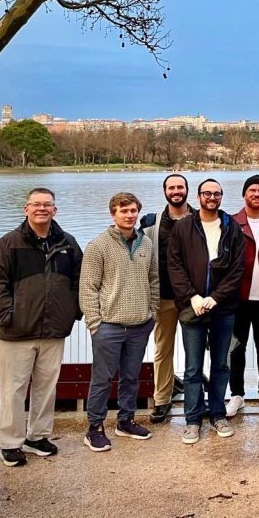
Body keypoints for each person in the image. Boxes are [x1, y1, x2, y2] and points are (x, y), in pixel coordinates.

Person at [0, 188, 83, 467]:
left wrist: (72, 312)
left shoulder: (68, 243)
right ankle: (10, 443)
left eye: (47, 205)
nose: (42, 209)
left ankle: (37, 436)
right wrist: (7, 316)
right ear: (26, 209)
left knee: (46, 387)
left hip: (54, 331)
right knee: (13, 389)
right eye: (36, 205)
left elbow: (80, 282)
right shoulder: (9, 244)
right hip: (16, 332)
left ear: (55, 210)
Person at [167, 178, 245, 445]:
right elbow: (174, 267)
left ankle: (217, 414)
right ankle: (192, 420)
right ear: (198, 196)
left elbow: (237, 270)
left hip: (223, 309)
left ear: (221, 197)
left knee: (221, 365)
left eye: (216, 193)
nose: (211, 197)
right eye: (206, 193)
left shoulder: (232, 227)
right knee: (192, 367)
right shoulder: (184, 228)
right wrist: (193, 297)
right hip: (193, 309)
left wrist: (215, 297)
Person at [81, 192, 158, 452]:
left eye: (133, 210)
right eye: (123, 211)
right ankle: (95, 427)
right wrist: (95, 323)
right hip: (109, 327)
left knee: (130, 377)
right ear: (113, 214)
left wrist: (153, 312)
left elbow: (154, 280)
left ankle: (125, 421)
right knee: (102, 379)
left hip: (140, 324)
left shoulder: (146, 244)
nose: (129, 215)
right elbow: (88, 288)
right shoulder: (98, 246)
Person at [140, 173, 193, 424]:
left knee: (197, 350)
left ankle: (196, 397)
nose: (176, 191)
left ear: (187, 190)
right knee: (163, 349)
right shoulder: (151, 223)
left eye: (180, 187)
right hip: (163, 298)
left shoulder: (200, 218)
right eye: (171, 187)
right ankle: (162, 399)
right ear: (164, 191)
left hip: (193, 298)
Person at [227, 175, 259, 418]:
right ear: (244, 195)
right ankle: (236, 394)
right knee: (236, 348)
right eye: (252, 190)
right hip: (238, 298)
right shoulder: (230, 223)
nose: (256, 194)